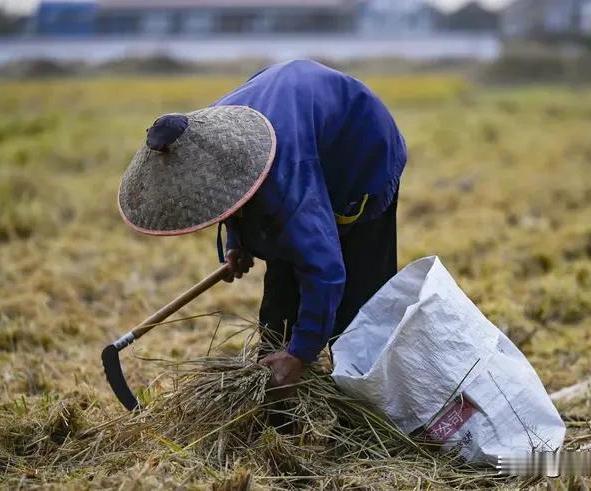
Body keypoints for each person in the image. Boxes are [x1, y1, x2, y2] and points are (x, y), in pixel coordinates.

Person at [118, 60, 406, 390]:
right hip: (299, 131)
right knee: (280, 301)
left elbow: (325, 269)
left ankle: (362, 401)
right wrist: (238, 242)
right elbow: (225, 193)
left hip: (360, 150)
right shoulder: (201, 138)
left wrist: (301, 353)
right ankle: (276, 396)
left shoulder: (287, 183)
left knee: (357, 307)